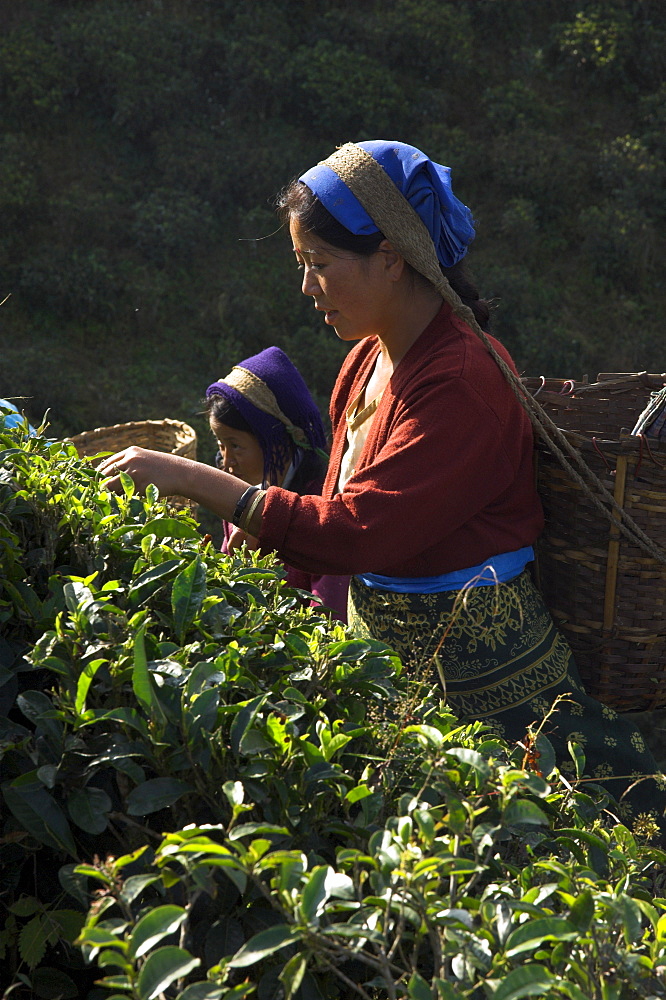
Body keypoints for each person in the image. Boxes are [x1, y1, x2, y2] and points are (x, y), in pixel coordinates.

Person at [100, 139, 665, 832]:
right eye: (303, 265)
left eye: (319, 265)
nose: (307, 287)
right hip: (391, 670)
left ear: (391, 260)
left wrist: (197, 480)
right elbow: (328, 510)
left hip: (490, 696)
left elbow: (356, 531)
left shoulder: (461, 384)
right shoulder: (368, 359)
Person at [205, 346, 349, 621]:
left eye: (235, 445)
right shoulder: (239, 493)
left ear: (277, 443)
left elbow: (329, 614)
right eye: (220, 445)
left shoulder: (322, 508)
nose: (226, 463)